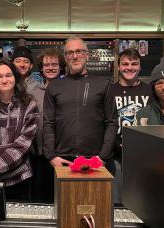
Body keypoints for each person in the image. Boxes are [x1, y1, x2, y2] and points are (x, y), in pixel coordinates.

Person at [43, 37, 118, 173]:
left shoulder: (103, 84)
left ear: (87, 55)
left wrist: (103, 157)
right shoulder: (54, 87)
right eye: (70, 53)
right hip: (63, 161)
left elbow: (112, 122)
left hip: (96, 161)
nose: (75, 56)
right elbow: (48, 123)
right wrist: (51, 156)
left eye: (79, 51)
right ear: (65, 57)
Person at [0, 60, 39, 201]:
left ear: (15, 78)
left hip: (21, 176)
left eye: (8, 75)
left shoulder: (29, 106)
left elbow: (23, 144)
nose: (4, 80)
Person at [109, 48, 152, 204]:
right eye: (125, 64)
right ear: (118, 67)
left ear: (140, 66)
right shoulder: (110, 91)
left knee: (142, 201)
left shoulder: (150, 91)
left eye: (134, 64)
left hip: (145, 157)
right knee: (118, 201)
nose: (129, 67)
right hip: (116, 156)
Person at [30, 48, 65, 202]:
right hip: (38, 154)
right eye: (46, 65)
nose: (50, 68)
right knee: (40, 198)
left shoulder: (68, 89)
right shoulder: (33, 91)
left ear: (61, 67)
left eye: (54, 64)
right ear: (41, 68)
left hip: (62, 152)